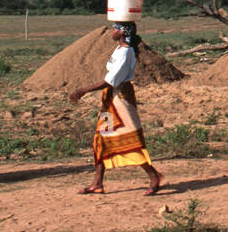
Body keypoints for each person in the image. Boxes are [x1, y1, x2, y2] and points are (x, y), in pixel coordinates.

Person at [69, 22, 163, 195]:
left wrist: (83, 90)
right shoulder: (119, 50)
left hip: (120, 99)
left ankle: (154, 175)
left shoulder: (126, 52)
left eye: (115, 28)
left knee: (129, 139)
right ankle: (97, 183)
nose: (112, 31)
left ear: (123, 32)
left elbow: (111, 81)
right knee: (101, 140)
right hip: (109, 100)